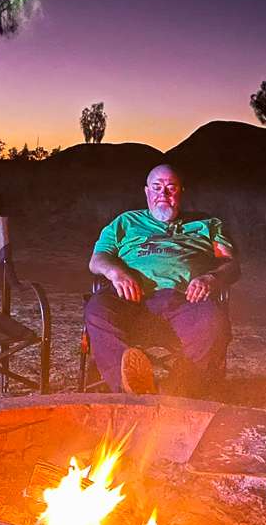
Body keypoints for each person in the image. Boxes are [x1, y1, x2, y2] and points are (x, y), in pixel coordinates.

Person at [85, 164, 239, 397]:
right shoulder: (126, 222)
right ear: (147, 192)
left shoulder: (207, 225)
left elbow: (231, 264)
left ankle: (176, 393)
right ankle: (130, 386)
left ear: (181, 191)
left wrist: (211, 278)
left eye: (170, 188)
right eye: (156, 187)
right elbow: (98, 258)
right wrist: (116, 273)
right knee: (97, 310)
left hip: (186, 299)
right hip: (131, 298)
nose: (163, 194)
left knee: (215, 324)